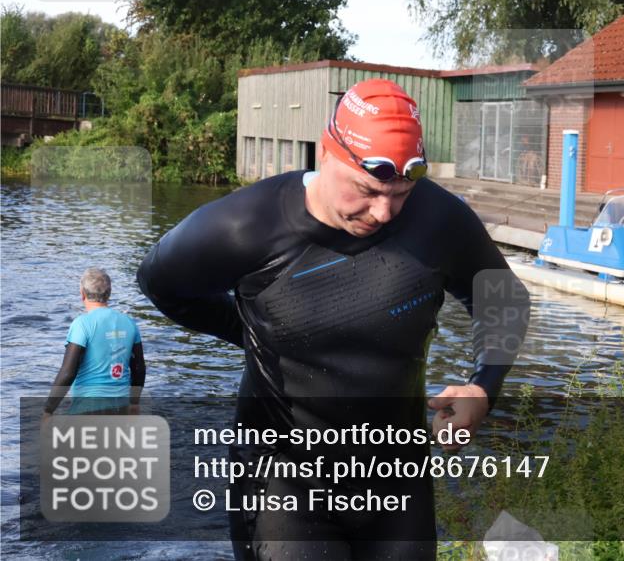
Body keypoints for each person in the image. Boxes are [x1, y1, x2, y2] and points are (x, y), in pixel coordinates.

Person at [137, 78, 529, 560]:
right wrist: (249, 330)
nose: (385, 212)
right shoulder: (244, 225)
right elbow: (160, 282)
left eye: (402, 193)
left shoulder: (438, 219)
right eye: (367, 190)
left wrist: (482, 387)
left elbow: (503, 296)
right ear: (328, 152)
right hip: (283, 482)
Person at [43, 267, 145, 418]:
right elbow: (138, 368)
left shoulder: (82, 324)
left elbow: (68, 372)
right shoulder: (129, 323)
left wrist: (48, 410)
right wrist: (134, 403)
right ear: (108, 293)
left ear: (82, 294)